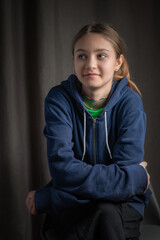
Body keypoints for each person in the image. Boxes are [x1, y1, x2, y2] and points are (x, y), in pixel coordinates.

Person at [26, 23, 151, 239]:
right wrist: (135, 178)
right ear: (74, 60)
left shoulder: (130, 103)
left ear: (117, 62)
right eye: (82, 56)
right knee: (98, 213)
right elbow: (63, 173)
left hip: (119, 208)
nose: (90, 64)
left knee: (105, 212)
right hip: (72, 208)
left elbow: (123, 189)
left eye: (101, 56)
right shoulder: (58, 100)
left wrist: (50, 198)